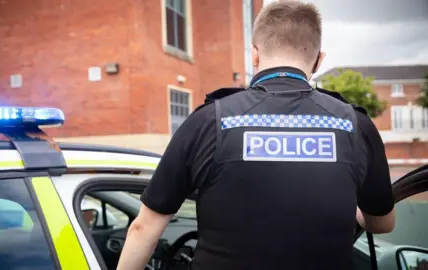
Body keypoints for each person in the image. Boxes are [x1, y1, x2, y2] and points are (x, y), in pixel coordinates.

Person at [116, 2, 395, 270]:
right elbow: (382, 223)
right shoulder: (354, 125)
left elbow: (144, 227)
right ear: (319, 60)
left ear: (255, 54)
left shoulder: (208, 121)